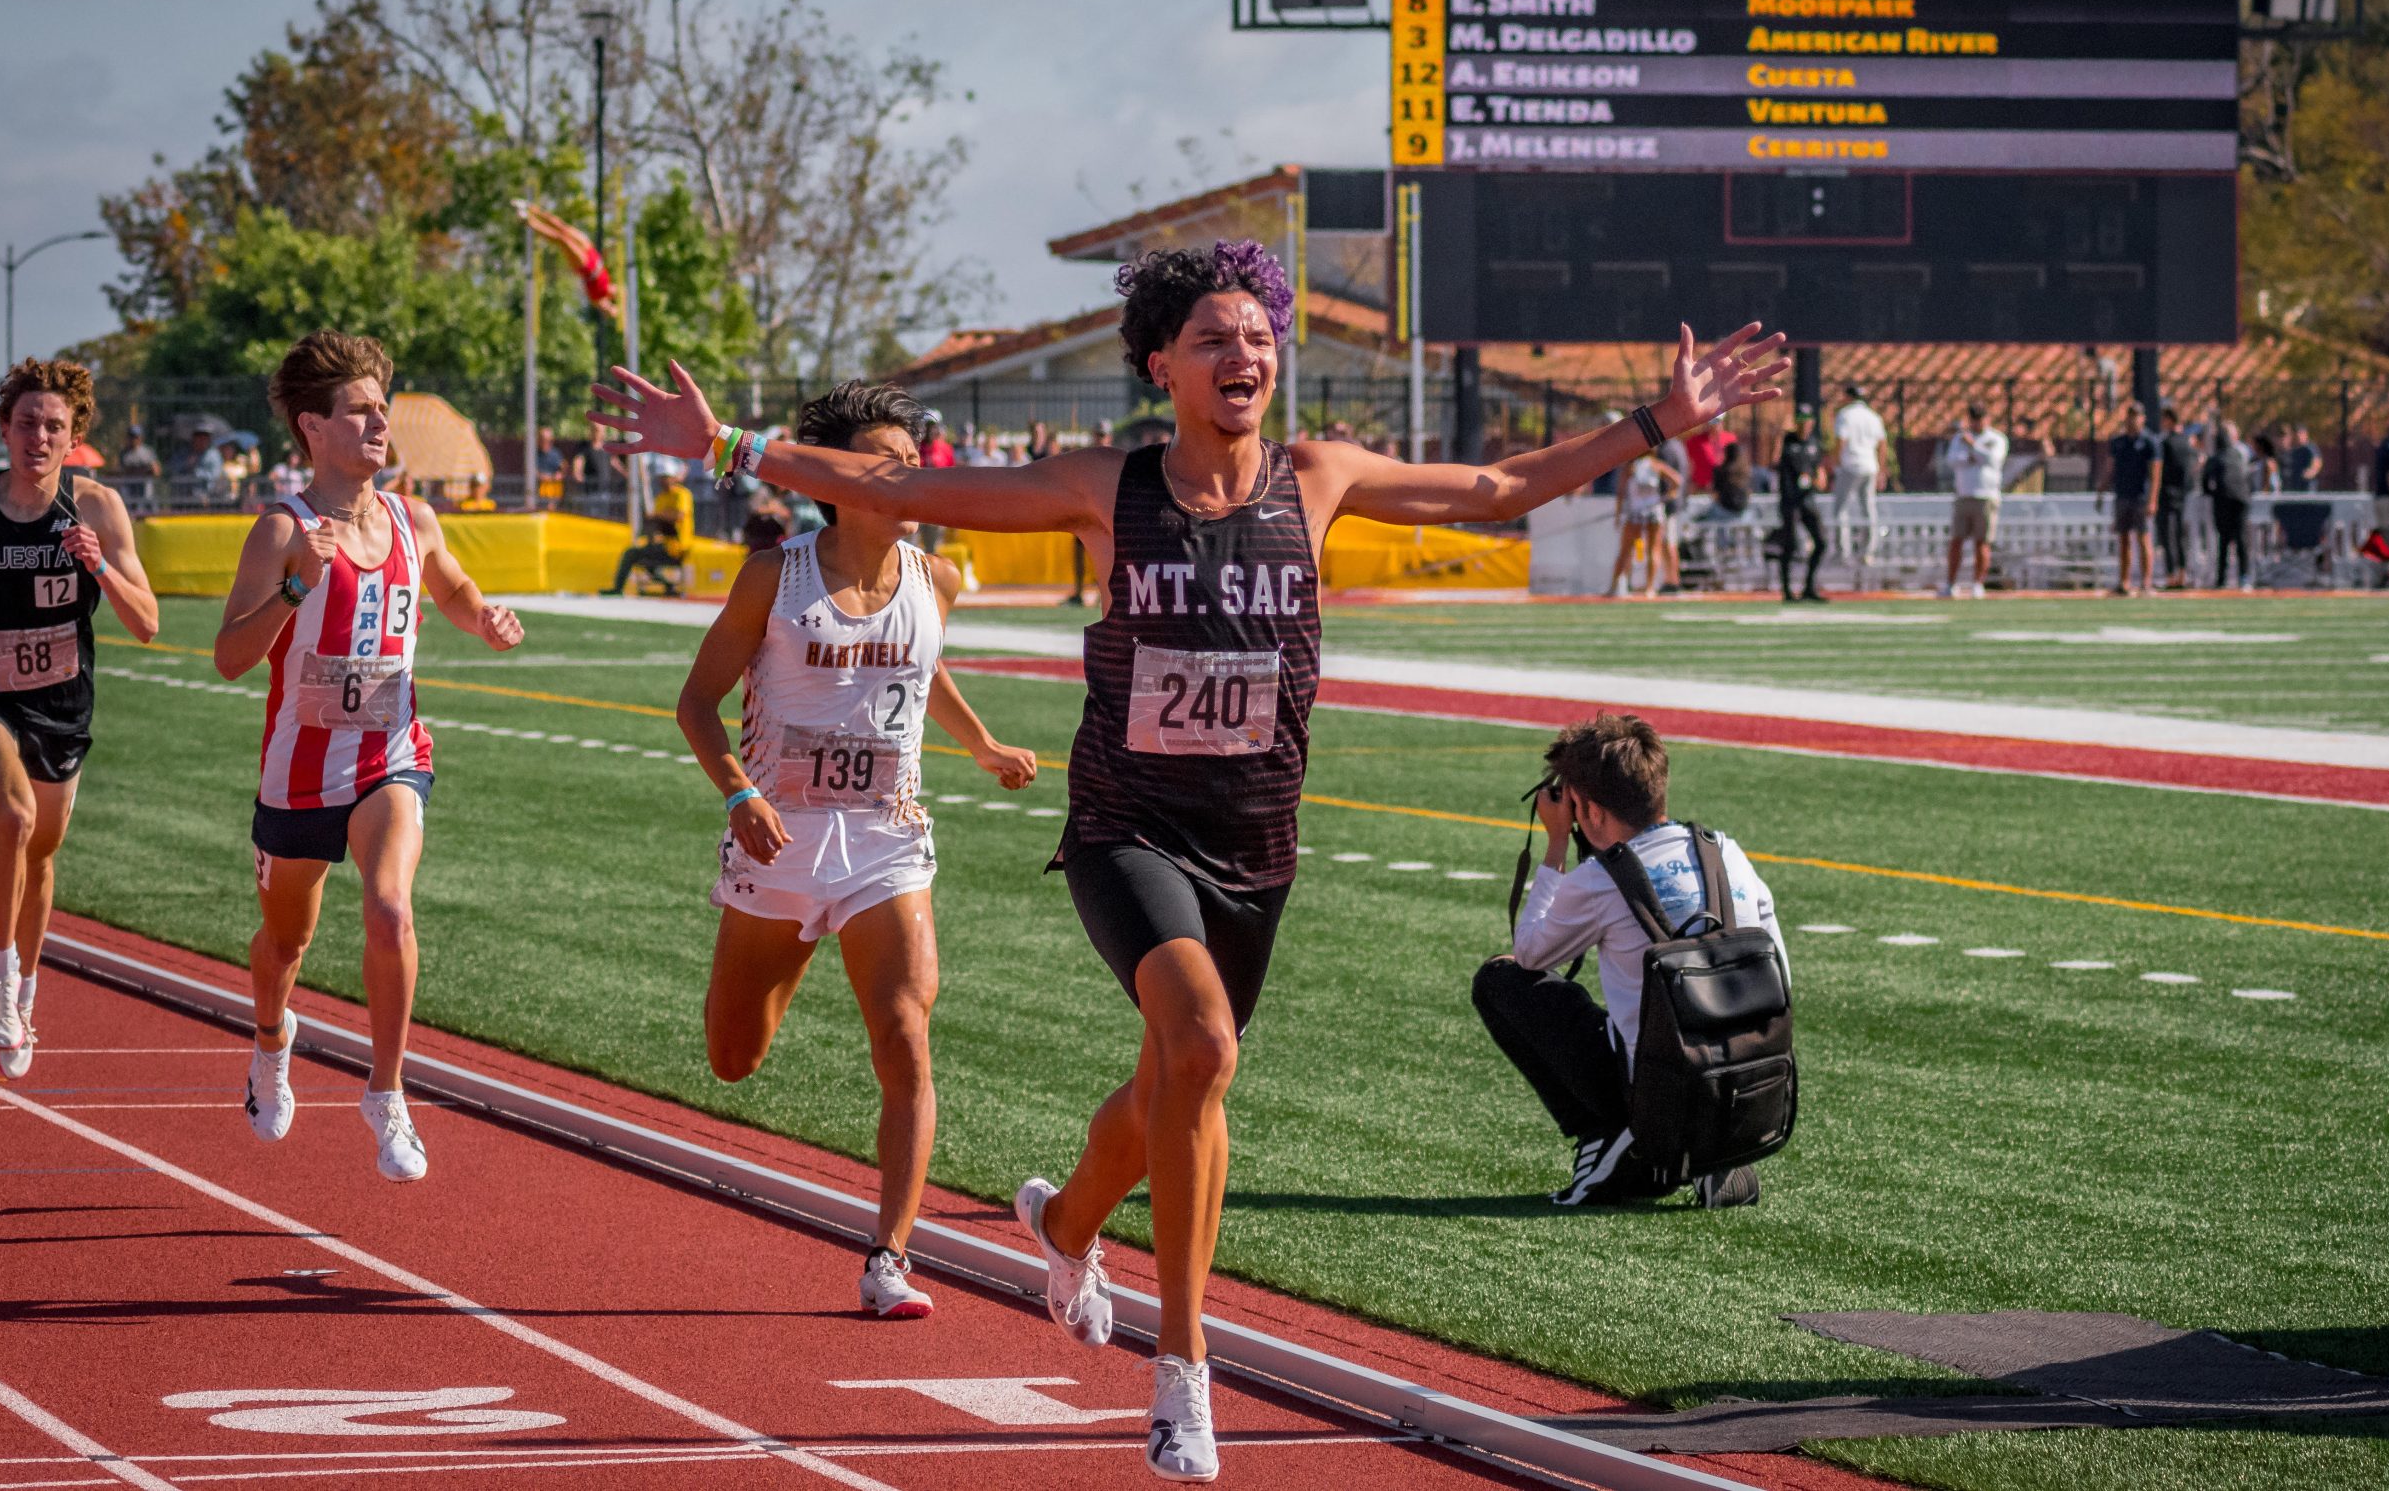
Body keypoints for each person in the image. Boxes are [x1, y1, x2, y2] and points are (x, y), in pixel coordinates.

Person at [591, 239, 1786, 1484]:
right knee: (1203, 1048)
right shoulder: (1108, 486)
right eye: (1215, 339)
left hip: (1253, 847)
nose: (1246, 357)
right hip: (1127, 829)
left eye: (1260, 338)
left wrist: (1655, 422)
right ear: (1160, 362)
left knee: (1171, 1093)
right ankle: (1183, 1373)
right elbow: (912, 493)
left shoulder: (1316, 476)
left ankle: (1062, 1224)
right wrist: (731, 446)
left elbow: (1494, 483)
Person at [679, 380, 1038, 1320]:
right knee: (732, 1056)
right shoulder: (776, 575)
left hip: (887, 837)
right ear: (833, 478)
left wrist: (982, 744)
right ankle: (778, 954)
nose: (908, 476)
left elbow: (924, 667)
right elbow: (696, 703)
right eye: (885, 461)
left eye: (914, 462)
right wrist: (742, 791)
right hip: (781, 841)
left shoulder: (938, 578)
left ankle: (889, 1258)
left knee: (907, 1036)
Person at [214, 330, 524, 1181]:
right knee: (286, 942)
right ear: (313, 427)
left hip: (390, 753)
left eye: (382, 406)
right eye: (360, 409)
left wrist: (487, 620)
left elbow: (455, 590)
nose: (380, 421)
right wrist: (293, 587)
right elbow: (231, 656)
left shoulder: (409, 519)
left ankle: (385, 1092)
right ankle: (273, 1039)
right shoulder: (283, 527)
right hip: (299, 771)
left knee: (389, 909)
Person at [1471, 713, 1786, 1208]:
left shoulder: (1602, 880)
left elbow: (1531, 954)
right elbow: (1780, 974)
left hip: (1659, 1088)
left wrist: (1556, 843)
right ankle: (1712, 1145)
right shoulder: (1725, 851)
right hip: (1748, 1083)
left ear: (1590, 811)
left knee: (1500, 979)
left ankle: (1615, 1134)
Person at [0, 361, 160, 1079]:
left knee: (41, 850)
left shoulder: (97, 508)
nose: (39, 437)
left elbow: (147, 622)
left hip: (62, 705)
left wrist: (101, 569)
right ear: (5, 428)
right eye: (27, 423)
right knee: (15, 818)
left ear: (75, 436)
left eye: (55, 426)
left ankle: (25, 989)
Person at [1940, 402, 2007, 599]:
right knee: (1956, 541)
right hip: (1963, 494)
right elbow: (1953, 461)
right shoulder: (1959, 439)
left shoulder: (1996, 438)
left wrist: (1973, 447)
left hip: (1986, 496)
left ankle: (1978, 584)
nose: (1977, 423)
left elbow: (1993, 460)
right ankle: (1950, 583)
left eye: (1980, 418)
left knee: (1982, 542)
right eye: (1974, 418)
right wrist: (1972, 454)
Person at [2101, 401, 2161, 597]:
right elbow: (2111, 468)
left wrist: (2152, 500)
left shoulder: (2150, 442)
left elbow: (2155, 473)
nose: (2132, 420)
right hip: (2123, 495)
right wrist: (2102, 487)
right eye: (2130, 415)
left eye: (2136, 416)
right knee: (2124, 538)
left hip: (2141, 496)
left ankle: (2146, 583)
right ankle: (2124, 582)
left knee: (2143, 538)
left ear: (2142, 418)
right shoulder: (2118, 442)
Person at [606, 468, 694, 595]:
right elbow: (656, 522)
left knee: (632, 554)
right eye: (661, 478)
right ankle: (667, 584)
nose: (663, 481)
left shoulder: (682, 494)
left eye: (666, 477)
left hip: (678, 547)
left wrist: (658, 515)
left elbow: (678, 515)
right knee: (635, 553)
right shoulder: (660, 498)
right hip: (664, 544)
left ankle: (618, 589)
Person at [1606, 451, 1679, 598]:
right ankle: (1649, 588)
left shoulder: (1630, 467)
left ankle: (1614, 586)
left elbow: (1621, 492)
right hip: (1653, 512)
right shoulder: (1655, 465)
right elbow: (1677, 480)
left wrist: (1618, 514)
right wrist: (1670, 494)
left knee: (1626, 550)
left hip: (1636, 513)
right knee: (1653, 550)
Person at [1828, 383, 1887, 563]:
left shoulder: (1845, 415)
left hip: (1850, 465)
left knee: (1841, 509)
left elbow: (1841, 441)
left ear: (1848, 396)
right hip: (1870, 465)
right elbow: (1882, 444)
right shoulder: (1873, 416)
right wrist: (1881, 469)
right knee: (1868, 508)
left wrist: (1835, 464)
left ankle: (1842, 552)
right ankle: (1868, 551)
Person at [1776, 413, 1827, 602]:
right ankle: (1787, 591)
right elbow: (1774, 459)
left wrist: (1819, 478)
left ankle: (1809, 587)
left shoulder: (1813, 444)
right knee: (1789, 544)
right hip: (1790, 501)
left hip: (1807, 500)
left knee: (1821, 542)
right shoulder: (1787, 442)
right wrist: (1780, 434)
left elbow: (1820, 471)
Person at [2204, 420, 2254, 590]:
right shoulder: (2238, 455)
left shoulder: (2218, 457)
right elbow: (2248, 479)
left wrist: (2213, 493)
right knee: (2239, 540)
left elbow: (2206, 483)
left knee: (2226, 540)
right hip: (2240, 500)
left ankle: (2223, 579)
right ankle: (2241, 577)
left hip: (2225, 500)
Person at [2155, 406, 2196, 589]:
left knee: (2166, 535)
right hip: (2183, 494)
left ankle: (2171, 575)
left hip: (2166, 493)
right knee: (2180, 535)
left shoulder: (2166, 442)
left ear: (2169, 419)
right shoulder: (2187, 442)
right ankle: (2182, 573)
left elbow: (2159, 469)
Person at [2281, 423, 2320, 493]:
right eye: (2297, 434)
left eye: (2301, 434)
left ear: (2306, 434)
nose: (2299, 436)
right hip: (2295, 486)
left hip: (2307, 486)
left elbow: (2317, 462)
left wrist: (2310, 472)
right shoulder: (2295, 449)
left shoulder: (2310, 448)